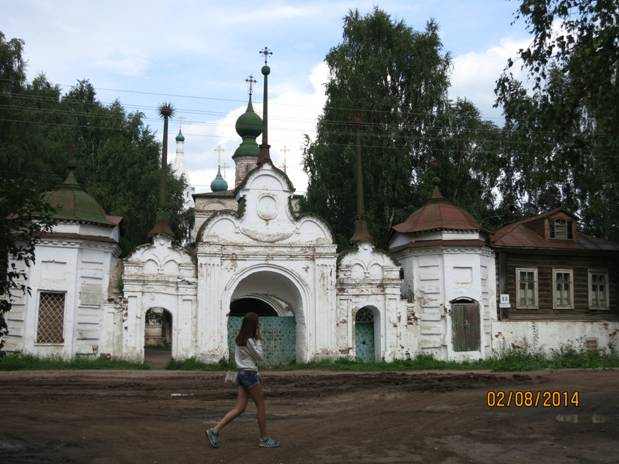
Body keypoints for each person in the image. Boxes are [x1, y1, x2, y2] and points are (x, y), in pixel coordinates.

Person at [206, 312, 280, 449]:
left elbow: (248, 359)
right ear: (254, 325)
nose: (258, 325)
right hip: (249, 375)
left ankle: (214, 430)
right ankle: (264, 439)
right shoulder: (250, 341)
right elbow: (260, 357)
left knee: (240, 408)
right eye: (257, 323)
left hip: (241, 374)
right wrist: (258, 339)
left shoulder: (239, 339)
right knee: (261, 406)